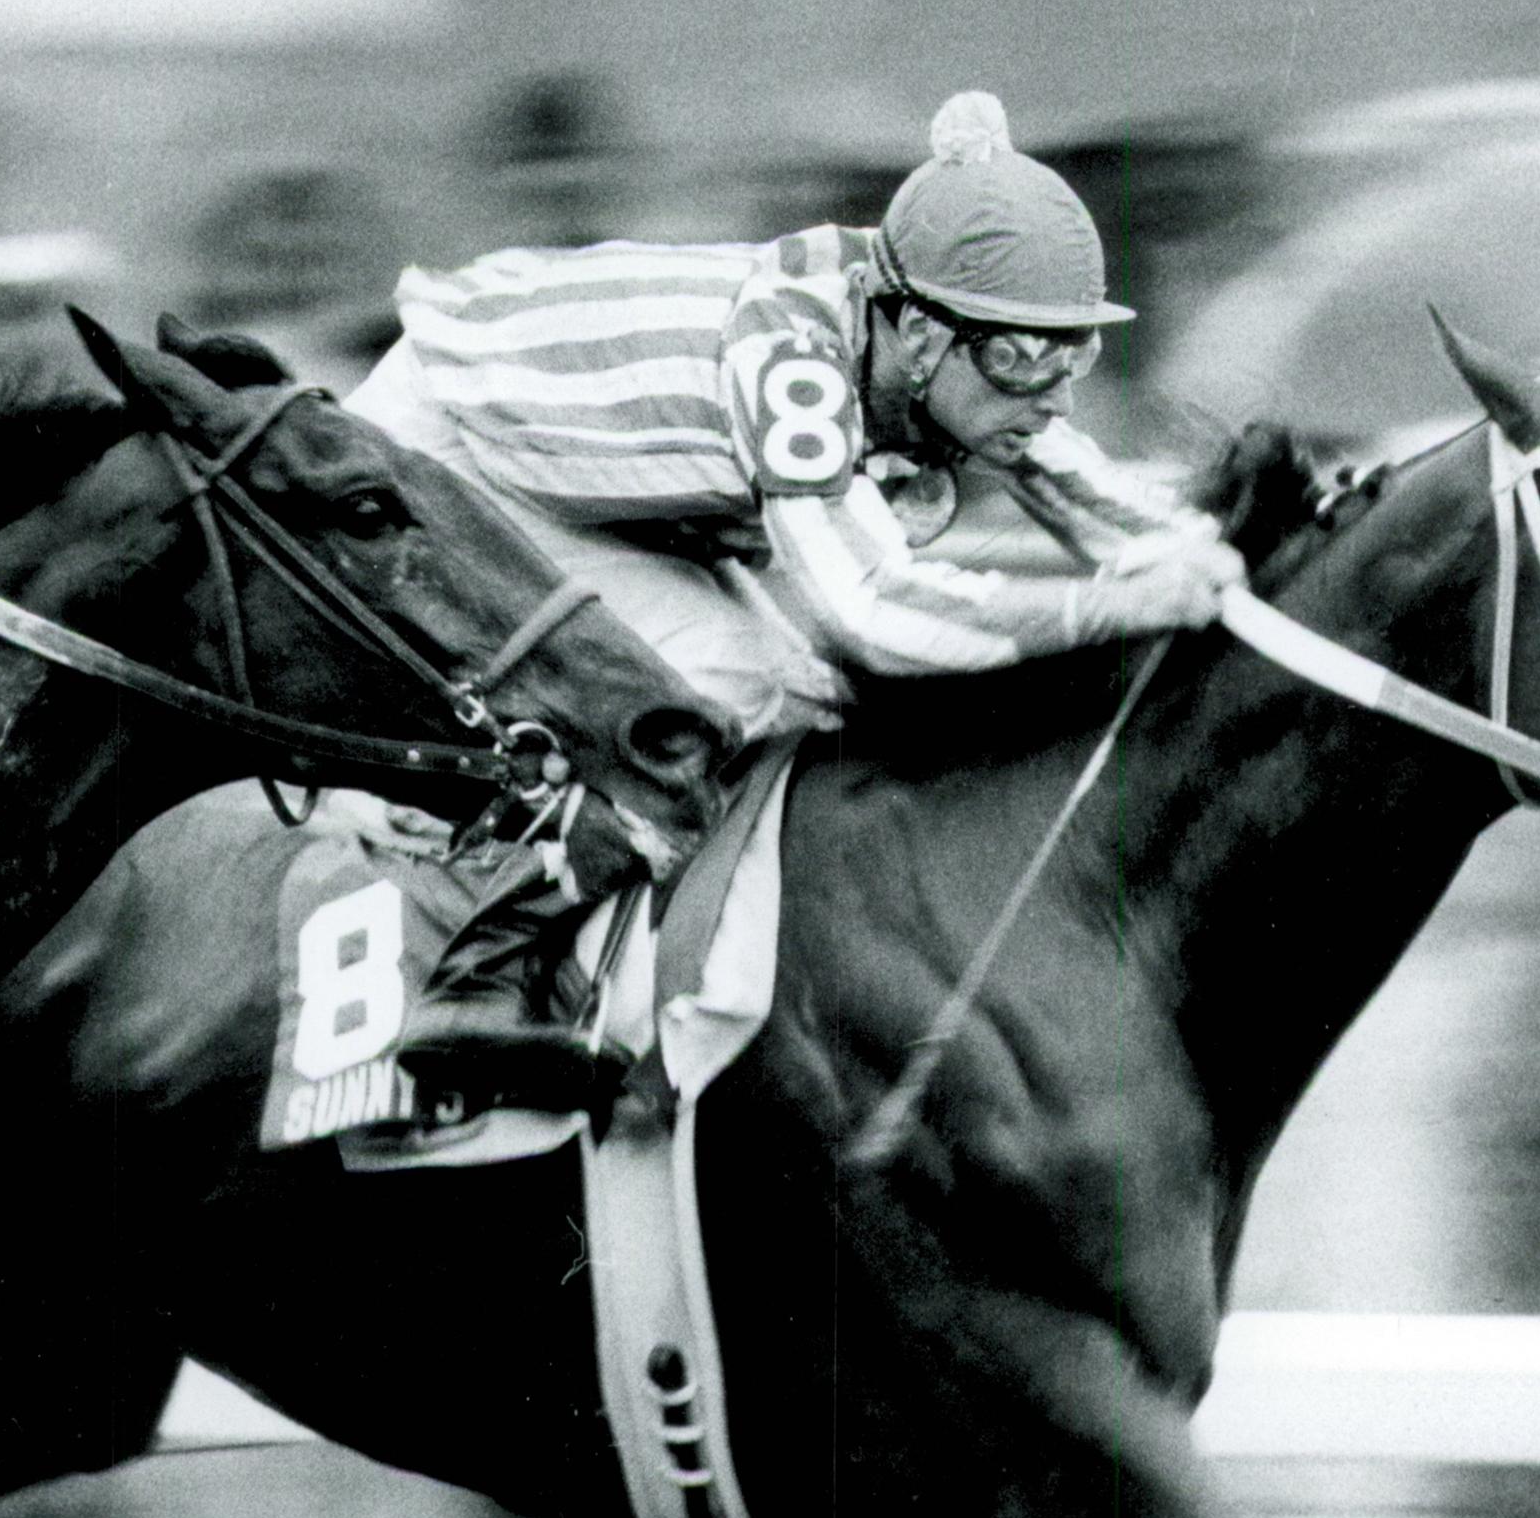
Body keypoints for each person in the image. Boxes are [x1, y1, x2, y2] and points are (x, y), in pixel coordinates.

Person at [343, 90, 1247, 1108]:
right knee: (729, 683)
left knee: (805, 686)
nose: (1054, 390)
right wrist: (1114, 606)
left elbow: (1072, 477)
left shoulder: (921, 322)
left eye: (1071, 353)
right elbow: (873, 615)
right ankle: (478, 970)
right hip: (451, 448)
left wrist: (1205, 556)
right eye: (1023, 357)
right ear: (921, 335)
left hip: (593, 471)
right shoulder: (794, 359)